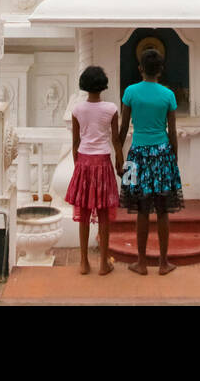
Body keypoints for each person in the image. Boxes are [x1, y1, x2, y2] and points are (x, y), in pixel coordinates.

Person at [118, 47, 184, 275]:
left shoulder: (130, 92)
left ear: (140, 68)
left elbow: (124, 128)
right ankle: (164, 262)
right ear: (161, 70)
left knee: (141, 209)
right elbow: (172, 132)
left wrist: (118, 154)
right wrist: (173, 159)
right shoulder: (168, 95)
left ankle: (142, 262)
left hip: (136, 155)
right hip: (163, 153)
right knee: (164, 210)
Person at [64, 65, 123, 275]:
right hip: (103, 161)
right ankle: (104, 263)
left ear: (84, 85)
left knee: (84, 213)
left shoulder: (78, 109)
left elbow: (75, 142)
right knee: (104, 214)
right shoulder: (111, 109)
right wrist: (120, 163)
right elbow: (116, 141)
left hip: (84, 161)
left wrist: (77, 167)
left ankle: (83, 262)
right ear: (103, 85)